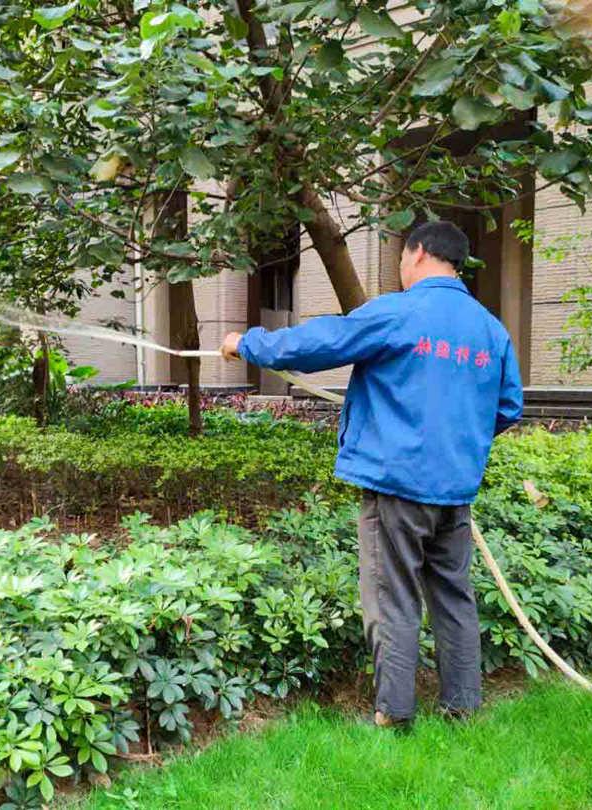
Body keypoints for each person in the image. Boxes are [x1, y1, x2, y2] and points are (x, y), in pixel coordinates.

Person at [220, 221, 523, 727]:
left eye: (403, 258)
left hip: (397, 484)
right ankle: (463, 708)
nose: (401, 269)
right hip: (455, 488)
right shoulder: (489, 329)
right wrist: (456, 438)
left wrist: (246, 344)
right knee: (453, 595)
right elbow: (509, 406)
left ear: (418, 253)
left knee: (392, 596)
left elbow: (321, 343)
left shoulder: (401, 311)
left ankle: (395, 714)